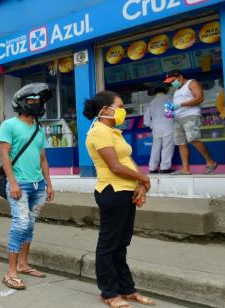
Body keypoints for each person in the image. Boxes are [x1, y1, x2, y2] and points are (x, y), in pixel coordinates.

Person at [84, 90, 156, 308]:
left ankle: (126, 289)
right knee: (108, 244)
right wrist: (144, 178)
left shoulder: (113, 132)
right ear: (106, 110)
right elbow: (115, 166)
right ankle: (108, 292)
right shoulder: (98, 132)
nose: (124, 111)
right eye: (120, 106)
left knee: (121, 244)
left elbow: (127, 160)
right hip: (112, 191)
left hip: (126, 191)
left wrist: (141, 185)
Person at [0, 83, 54, 290]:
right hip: (19, 184)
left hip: (38, 185)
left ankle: (22, 264)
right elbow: (4, 154)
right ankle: (10, 272)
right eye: (32, 100)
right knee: (20, 224)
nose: (37, 104)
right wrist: (12, 182)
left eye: (40, 100)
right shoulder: (9, 125)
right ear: (22, 102)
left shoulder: (38, 129)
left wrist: (48, 184)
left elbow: (43, 159)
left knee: (29, 225)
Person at [164, 70, 217, 175]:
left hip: (191, 115)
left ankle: (210, 162)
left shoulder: (192, 83)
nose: (172, 83)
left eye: (173, 80)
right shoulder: (176, 91)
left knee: (193, 139)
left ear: (180, 76)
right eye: (170, 82)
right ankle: (185, 169)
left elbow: (200, 98)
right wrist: (170, 111)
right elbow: (176, 106)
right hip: (178, 118)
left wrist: (180, 105)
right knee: (180, 143)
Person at [143, 87, 174, 173]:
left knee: (155, 149)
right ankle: (165, 168)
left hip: (156, 129)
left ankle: (152, 168)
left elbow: (146, 120)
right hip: (168, 126)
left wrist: (152, 126)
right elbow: (169, 114)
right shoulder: (168, 98)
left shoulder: (151, 102)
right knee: (167, 148)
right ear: (165, 91)